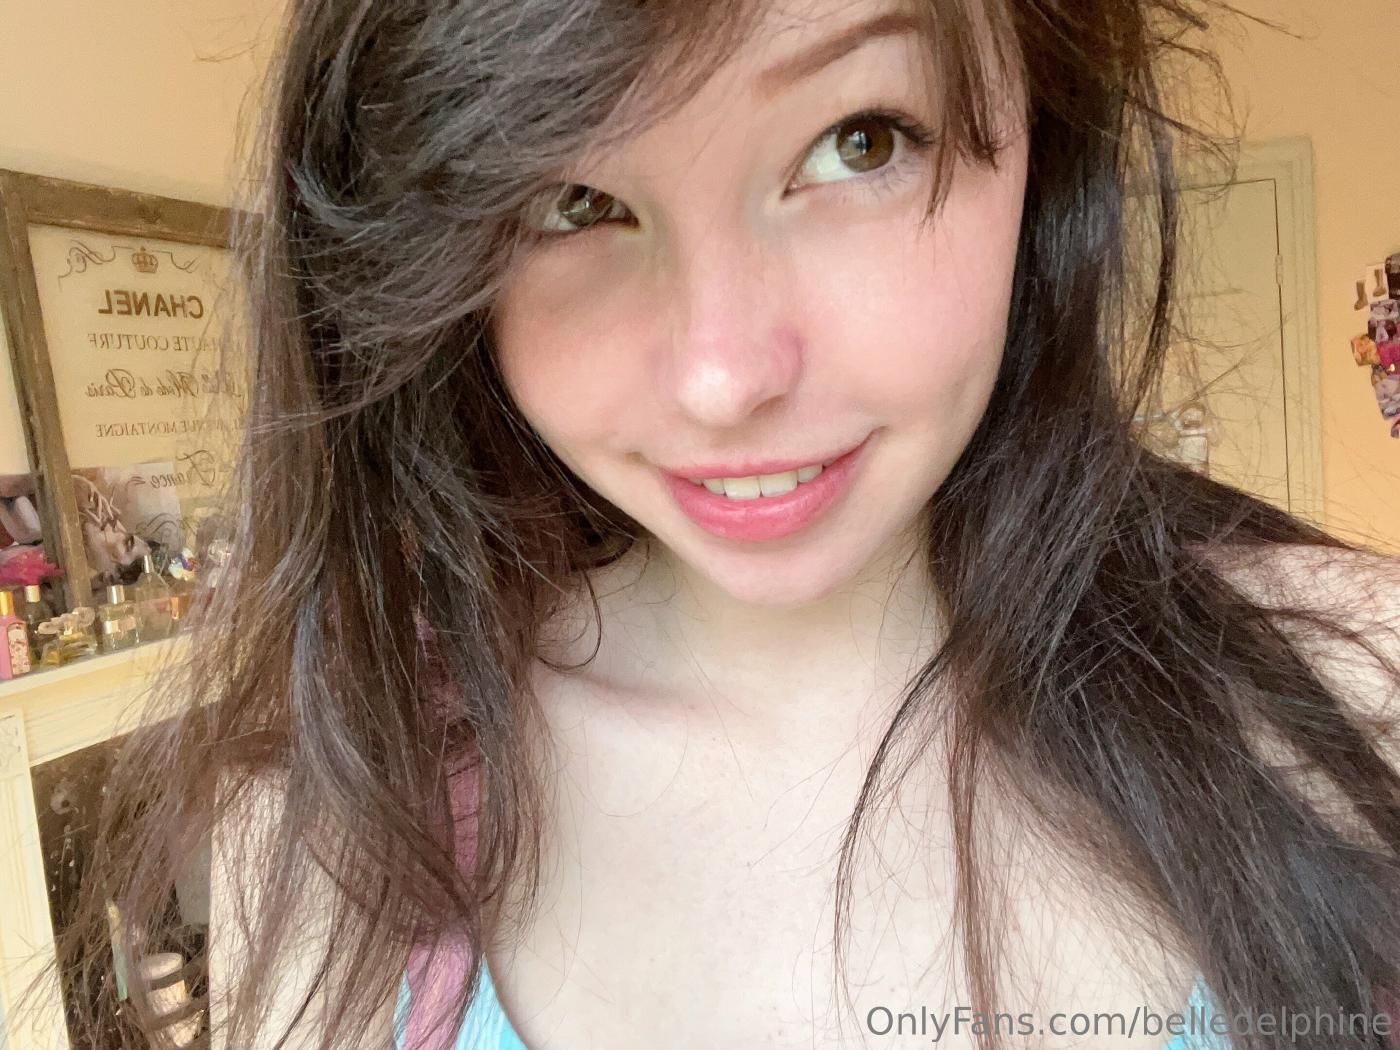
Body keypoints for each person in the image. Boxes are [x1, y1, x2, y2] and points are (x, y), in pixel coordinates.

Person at [40, 0, 1400, 1048]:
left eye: (860, 139)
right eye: (571, 200)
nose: (722, 377)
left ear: (1043, 123)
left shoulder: (1365, 695)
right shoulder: (337, 821)